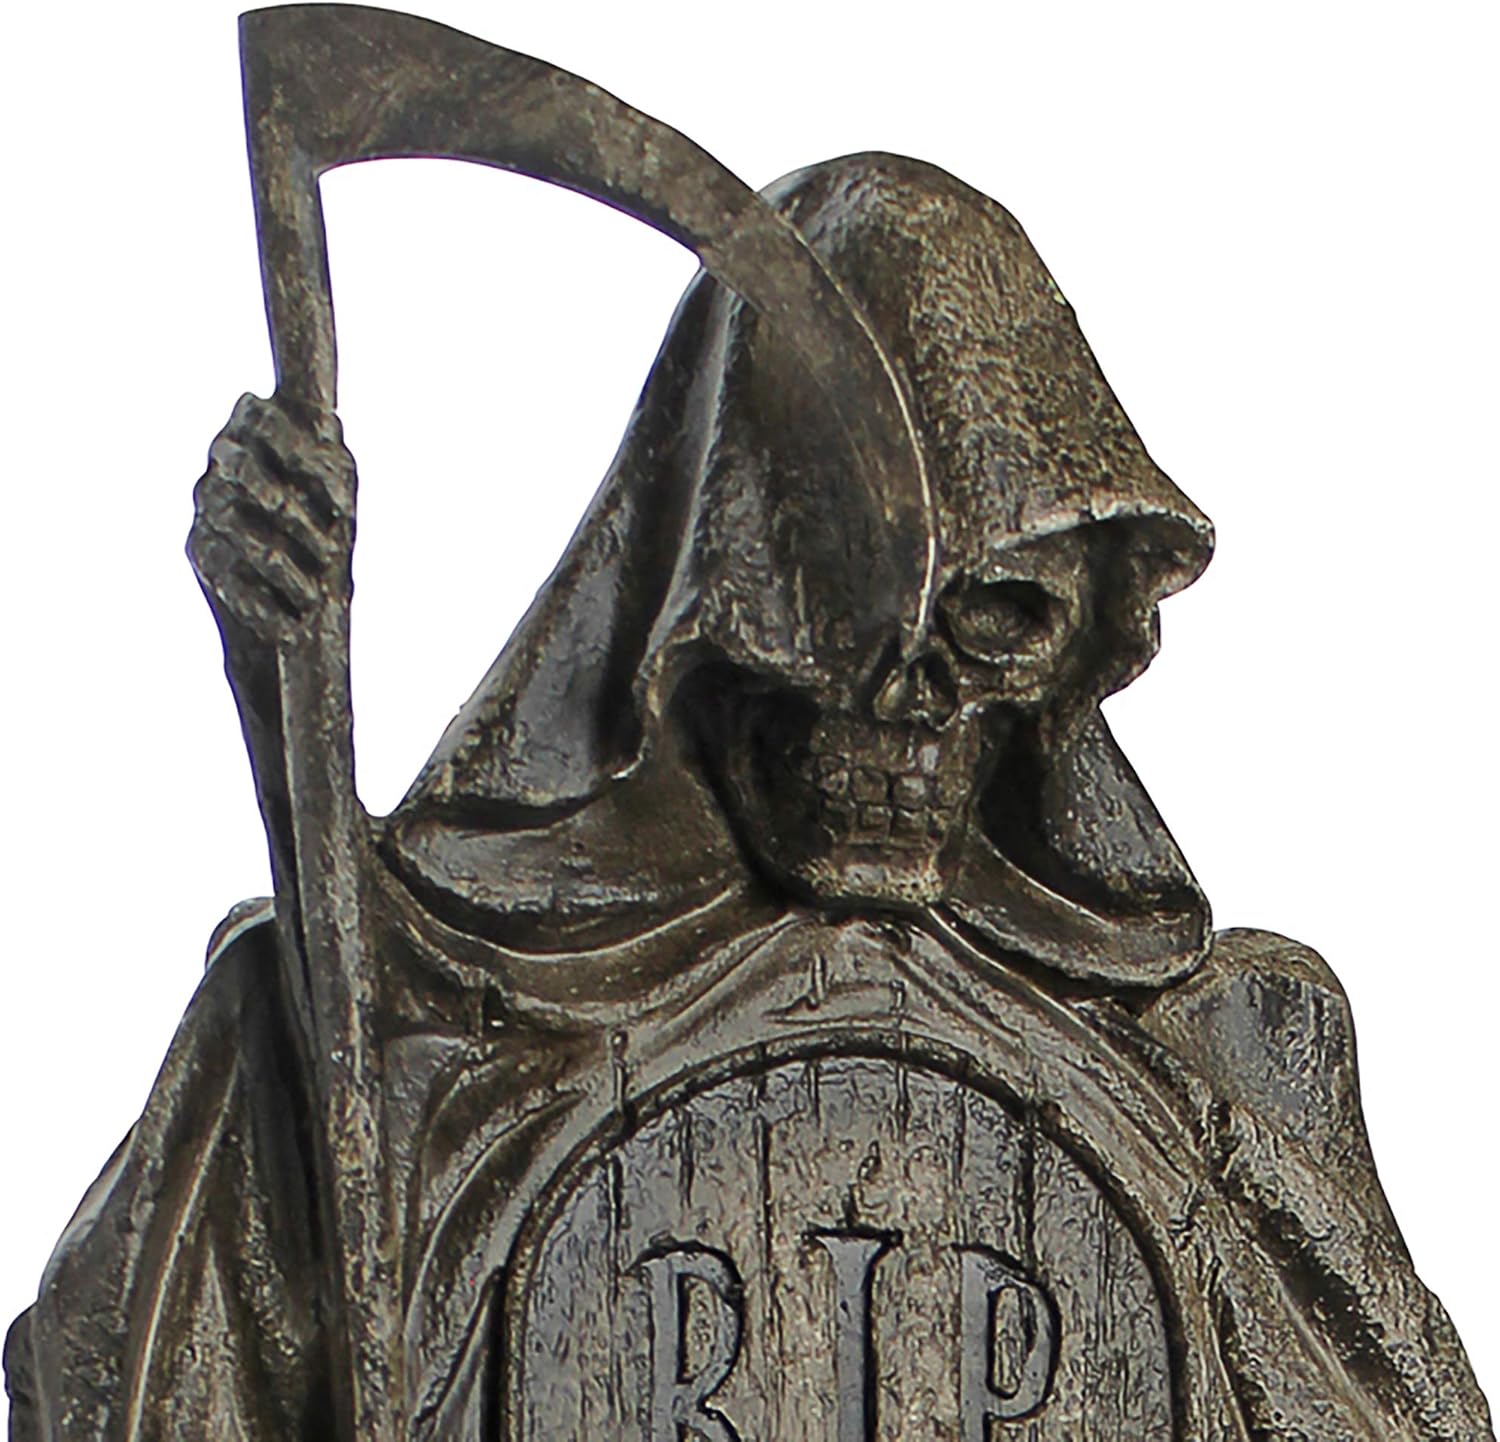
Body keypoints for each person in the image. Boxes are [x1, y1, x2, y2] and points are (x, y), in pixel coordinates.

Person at [6, 154, 1491, 1441]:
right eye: (847, 610)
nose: (910, 695)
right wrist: (275, 676)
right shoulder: (373, 1031)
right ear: (702, 601)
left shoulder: (1225, 1071)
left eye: (992, 615)